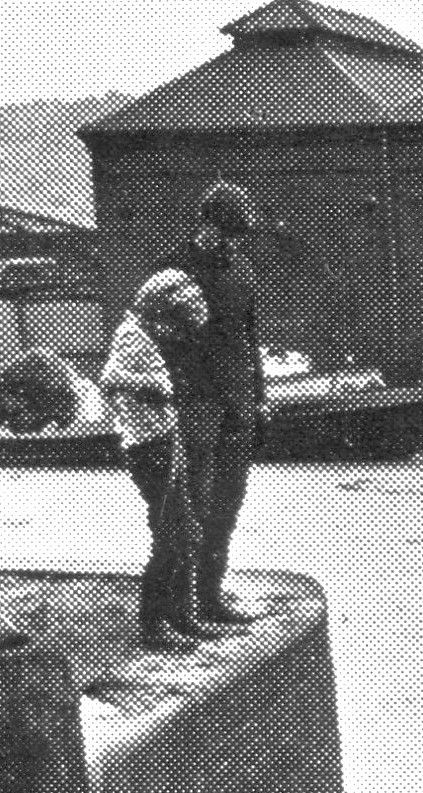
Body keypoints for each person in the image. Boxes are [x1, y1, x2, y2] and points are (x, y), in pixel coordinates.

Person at [167, 181, 268, 631]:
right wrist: (205, 397)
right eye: (223, 231)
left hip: (239, 405)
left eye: (236, 234)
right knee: (193, 508)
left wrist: (258, 399)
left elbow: (249, 341)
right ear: (204, 222)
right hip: (197, 406)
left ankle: (210, 599)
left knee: (227, 507)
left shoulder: (242, 270)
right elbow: (172, 347)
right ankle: (181, 609)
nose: (228, 242)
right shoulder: (176, 271)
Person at [100, 269, 216, 651]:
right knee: (172, 536)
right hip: (147, 447)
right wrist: (160, 389)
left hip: (163, 439)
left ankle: (181, 615)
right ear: (159, 308)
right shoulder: (131, 335)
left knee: (187, 533)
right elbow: (111, 379)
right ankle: (154, 623)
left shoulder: (144, 334)